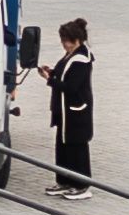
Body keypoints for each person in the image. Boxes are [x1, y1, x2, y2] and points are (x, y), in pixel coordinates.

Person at [39, 18, 95, 200]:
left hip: (76, 112)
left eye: (66, 41)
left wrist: (50, 80)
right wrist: (53, 72)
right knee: (62, 147)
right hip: (64, 111)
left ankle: (82, 185)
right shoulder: (70, 55)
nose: (64, 45)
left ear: (76, 40)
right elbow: (64, 73)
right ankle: (64, 181)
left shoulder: (81, 59)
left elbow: (71, 87)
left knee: (77, 147)